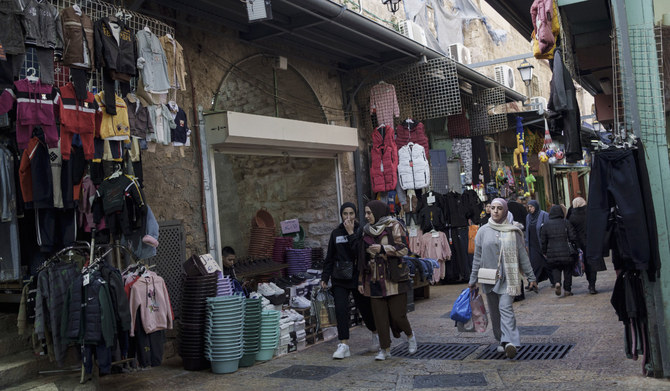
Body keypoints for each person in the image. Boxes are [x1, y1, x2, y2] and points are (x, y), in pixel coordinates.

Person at [469, 198, 537, 359]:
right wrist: (472, 280)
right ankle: (501, 339)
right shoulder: (482, 231)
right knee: (494, 312)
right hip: (488, 278)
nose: (495, 211)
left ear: (505, 210)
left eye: (499, 208)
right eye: (493, 208)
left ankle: (510, 341)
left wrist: (531, 277)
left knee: (506, 308)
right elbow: (477, 258)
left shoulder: (513, 231)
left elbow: (522, 255)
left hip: (508, 278)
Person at [358, 200, 416, 361]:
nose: (367, 216)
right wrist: (361, 281)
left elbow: (404, 248)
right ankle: (385, 349)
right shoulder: (366, 231)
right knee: (380, 317)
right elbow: (362, 258)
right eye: (366, 213)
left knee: (398, 315)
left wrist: (383, 249)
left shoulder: (394, 225)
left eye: (369, 212)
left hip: (394, 278)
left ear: (377, 212)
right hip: (374, 278)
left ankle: (410, 336)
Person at [321, 202, 378, 359]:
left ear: (355, 214)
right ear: (341, 215)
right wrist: (324, 277)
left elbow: (360, 254)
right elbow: (330, 257)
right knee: (341, 310)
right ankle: (344, 344)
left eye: (351, 213)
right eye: (345, 214)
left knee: (365, 309)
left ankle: (375, 333)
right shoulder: (336, 233)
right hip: (339, 278)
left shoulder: (361, 231)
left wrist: (351, 233)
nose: (348, 217)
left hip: (357, 277)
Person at [540, 205, 578, 297]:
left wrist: (544, 251)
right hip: (566, 251)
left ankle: (557, 282)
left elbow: (543, 241)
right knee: (567, 270)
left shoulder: (546, 225)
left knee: (555, 269)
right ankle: (567, 290)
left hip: (552, 252)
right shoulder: (566, 222)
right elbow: (573, 237)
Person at [568, 197, 603, 294]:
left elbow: (572, 232)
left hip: (580, 244)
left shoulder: (572, 216)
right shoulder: (590, 213)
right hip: (592, 242)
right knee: (592, 265)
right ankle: (592, 285)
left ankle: (590, 283)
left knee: (585, 264)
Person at [525, 200, 552, 289]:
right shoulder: (528, 217)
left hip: (542, 243)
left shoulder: (544, 215)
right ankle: (533, 283)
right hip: (533, 244)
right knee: (535, 264)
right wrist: (526, 243)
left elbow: (548, 228)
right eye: (529, 207)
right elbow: (527, 231)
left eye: (532, 207)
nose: (530, 209)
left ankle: (554, 280)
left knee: (547, 263)